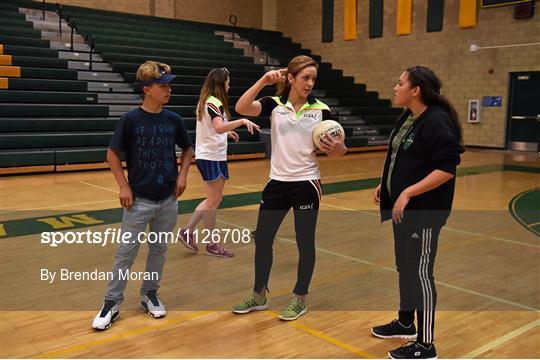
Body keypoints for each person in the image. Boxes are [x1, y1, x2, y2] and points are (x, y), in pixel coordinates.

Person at [231, 55, 347, 321]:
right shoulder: (274, 104)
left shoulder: (322, 110)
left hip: (306, 183)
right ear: (291, 78)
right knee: (262, 239)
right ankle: (259, 295)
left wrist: (340, 149)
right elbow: (241, 107)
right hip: (277, 183)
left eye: (313, 79)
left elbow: (338, 150)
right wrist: (263, 80)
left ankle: (299, 299)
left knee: (304, 243)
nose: (309, 83)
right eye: (304, 78)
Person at [92, 61, 193, 330]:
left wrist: (183, 175)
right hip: (138, 201)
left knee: (158, 249)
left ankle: (149, 293)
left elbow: (187, 149)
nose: (168, 90)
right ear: (148, 89)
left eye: (168, 85)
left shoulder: (174, 120)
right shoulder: (130, 120)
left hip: (168, 200)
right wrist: (123, 186)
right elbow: (111, 154)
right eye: (163, 86)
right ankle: (112, 302)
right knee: (126, 253)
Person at [371, 66, 464, 359]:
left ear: (416, 90)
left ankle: (425, 344)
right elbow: (401, 157)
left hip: (424, 213)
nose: (395, 87)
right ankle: (405, 322)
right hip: (403, 212)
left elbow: (446, 169)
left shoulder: (437, 120)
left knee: (421, 272)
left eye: (400, 83)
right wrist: (384, 185)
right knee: (405, 268)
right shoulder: (409, 116)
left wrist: (409, 192)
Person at [177, 67, 260, 257]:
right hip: (211, 157)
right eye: (228, 81)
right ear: (221, 82)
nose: (229, 84)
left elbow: (214, 129)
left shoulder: (207, 101)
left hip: (212, 155)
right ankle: (211, 244)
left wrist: (226, 133)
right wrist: (240, 122)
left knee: (212, 200)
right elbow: (219, 126)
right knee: (213, 202)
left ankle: (187, 231)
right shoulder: (214, 103)